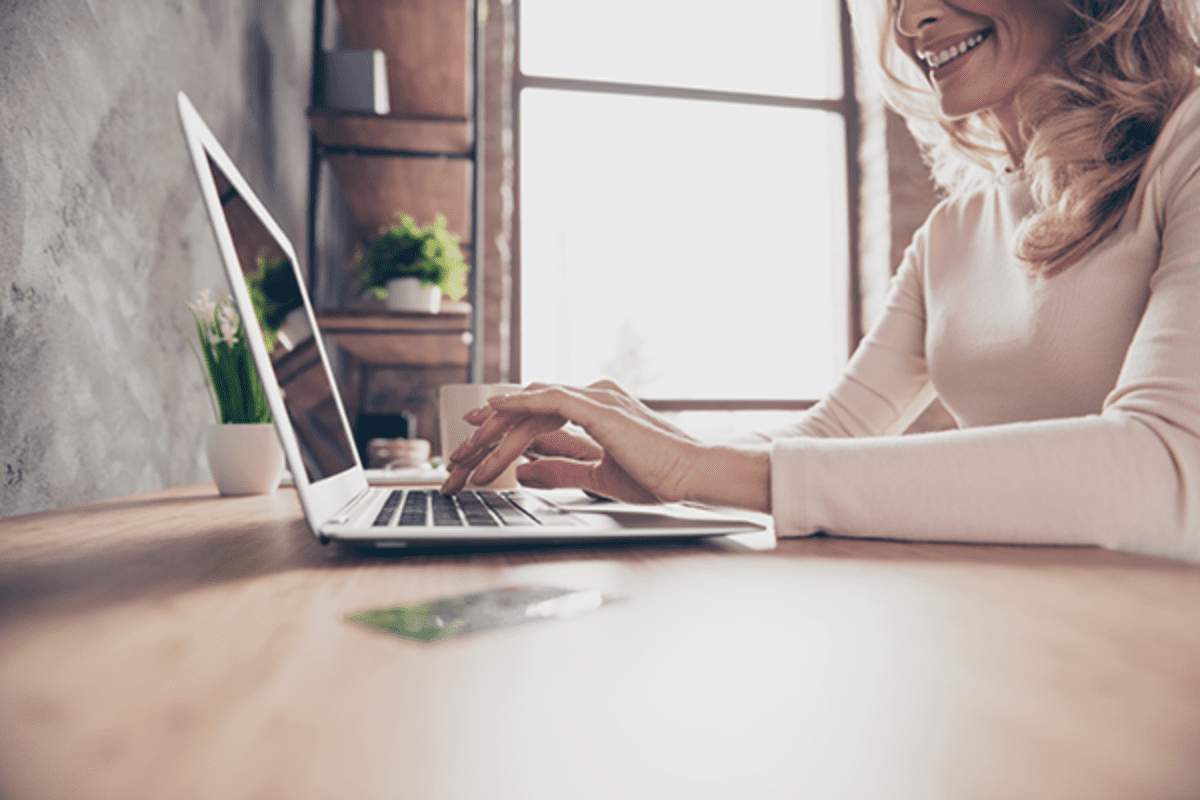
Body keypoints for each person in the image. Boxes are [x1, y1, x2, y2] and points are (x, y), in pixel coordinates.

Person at [443, 0, 1200, 563]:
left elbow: (1166, 471)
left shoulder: (1187, 145)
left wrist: (699, 470)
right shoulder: (953, 233)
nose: (912, 20)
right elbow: (826, 440)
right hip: (1024, 633)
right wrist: (663, 453)